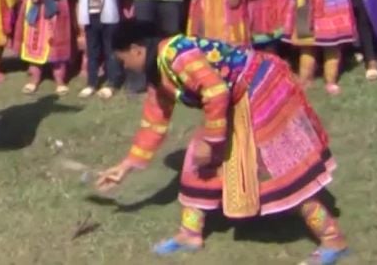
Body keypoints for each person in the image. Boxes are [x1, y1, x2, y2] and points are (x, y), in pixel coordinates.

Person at [96, 21, 347, 265]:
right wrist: (126, 166)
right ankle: (190, 234)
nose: (126, 66)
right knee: (196, 160)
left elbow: (215, 92)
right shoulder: (159, 67)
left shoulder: (177, 55)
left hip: (258, 88)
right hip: (233, 98)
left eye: (123, 60)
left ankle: (332, 239)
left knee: (277, 168)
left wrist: (212, 139)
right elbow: (155, 120)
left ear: (136, 49)